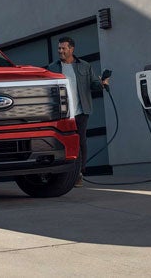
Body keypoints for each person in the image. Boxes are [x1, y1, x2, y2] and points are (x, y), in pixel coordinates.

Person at [46, 36, 108, 188]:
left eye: (63, 48)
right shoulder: (52, 67)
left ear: (71, 49)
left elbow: (94, 84)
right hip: (62, 114)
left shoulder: (84, 66)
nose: (60, 51)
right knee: (60, 142)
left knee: (81, 142)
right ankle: (61, 174)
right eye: (59, 48)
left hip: (80, 112)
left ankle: (79, 173)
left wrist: (102, 84)